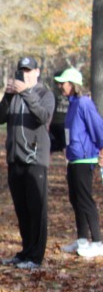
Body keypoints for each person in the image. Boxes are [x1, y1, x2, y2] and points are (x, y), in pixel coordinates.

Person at [0, 56, 56, 271]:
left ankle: (36, 256)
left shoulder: (45, 94)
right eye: (22, 70)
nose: (25, 74)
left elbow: (43, 117)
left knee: (37, 209)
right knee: (22, 210)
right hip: (15, 158)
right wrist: (7, 96)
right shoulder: (14, 96)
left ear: (37, 72)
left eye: (29, 70)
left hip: (35, 160)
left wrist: (26, 93)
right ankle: (26, 251)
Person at [53, 67, 103, 259]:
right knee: (75, 199)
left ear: (73, 84)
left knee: (85, 199)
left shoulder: (84, 103)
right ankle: (82, 239)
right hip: (73, 158)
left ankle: (97, 242)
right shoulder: (72, 104)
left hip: (85, 158)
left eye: (63, 83)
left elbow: (97, 127)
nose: (60, 86)